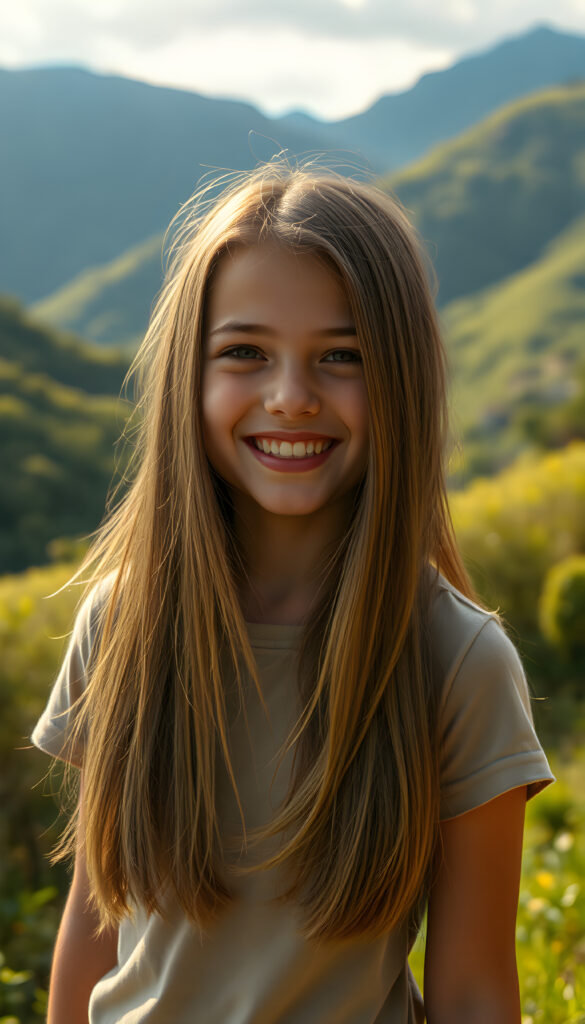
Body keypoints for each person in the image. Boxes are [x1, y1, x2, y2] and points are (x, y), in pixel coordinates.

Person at [32, 164, 554, 1024]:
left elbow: (473, 991)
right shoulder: (119, 623)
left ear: (403, 379)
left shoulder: (454, 660)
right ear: (186, 380)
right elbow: (95, 928)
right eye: (244, 353)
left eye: (341, 356)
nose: (290, 398)